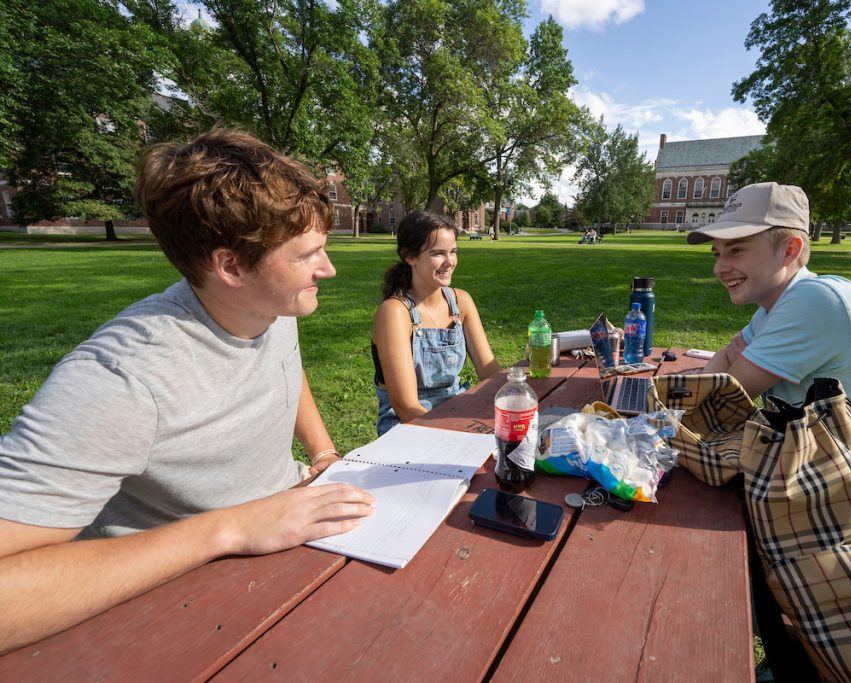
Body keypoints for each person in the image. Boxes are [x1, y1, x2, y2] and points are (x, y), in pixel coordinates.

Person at [0, 128, 374, 654]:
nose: (328, 269)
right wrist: (227, 530)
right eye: (307, 255)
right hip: (177, 612)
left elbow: (289, 369)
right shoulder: (122, 378)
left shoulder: (268, 307)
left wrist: (322, 451)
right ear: (231, 266)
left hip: (290, 539)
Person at [691, 181, 851, 682]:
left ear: (790, 247)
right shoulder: (777, 302)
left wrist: (681, 406)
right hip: (820, 486)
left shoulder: (815, 301)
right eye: (716, 251)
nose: (719, 266)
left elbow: (724, 397)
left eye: (736, 249)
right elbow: (726, 364)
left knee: (700, 548)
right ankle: (785, 656)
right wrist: (699, 395)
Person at [371, 211, 500, 435]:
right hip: (407, 427)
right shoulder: (395, 312)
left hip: (457, 414)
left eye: (453, 252)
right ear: (409, 257)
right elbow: (405, 405)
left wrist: (522, 389)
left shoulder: (461, 302)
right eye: (438, 253)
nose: (449, 262)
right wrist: (453, 435)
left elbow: (490, 373)